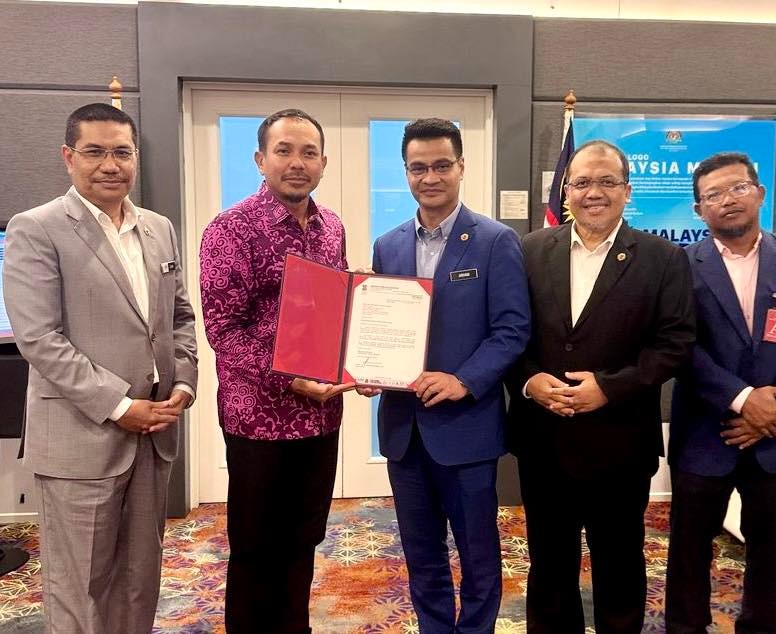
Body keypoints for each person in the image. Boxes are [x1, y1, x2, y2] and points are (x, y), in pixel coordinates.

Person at [2, 103, 198, 633]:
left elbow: (179, 316)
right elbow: (40, 339)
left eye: (121, 153)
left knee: (140, 575)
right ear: (69, 157)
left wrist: (183, 382)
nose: (110, 165)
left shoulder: (157, 228)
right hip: (81, 437)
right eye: (95, 152)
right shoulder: (37, 228)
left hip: (154, 433)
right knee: (79, 586)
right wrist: (119, 405)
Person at [506, 140, 696, 633]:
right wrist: (528, 380)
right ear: (566, 191)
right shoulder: (527, 250)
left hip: (621, 442)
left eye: (607, 182)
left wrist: (610, 388)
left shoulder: (663, 258)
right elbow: (506, 331)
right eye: (583, 182)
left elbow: (675, 343)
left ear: (627, 191)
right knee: (549, 562)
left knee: (620, 561)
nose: (594, 192)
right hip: (544, 439)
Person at [370, 118, 530, 632]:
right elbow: (381, 323)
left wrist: (463, 380)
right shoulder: (388, 245)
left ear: (461, 167)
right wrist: (367, 367)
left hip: (467, 429)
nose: (430, 177)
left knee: (478, 555)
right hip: (404, 431)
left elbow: (512, 329)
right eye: (418, 168)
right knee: (421, 555)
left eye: (442, 165)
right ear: (406, 172)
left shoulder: (495, 241)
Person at [666, 152, 776, 632]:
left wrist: (774, 410)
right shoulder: (680, 265)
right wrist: (743, 400)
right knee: (688, 550)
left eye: (738, 188)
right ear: (699, 210)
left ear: (759, 193)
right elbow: (680, 345)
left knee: (772, 552)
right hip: (707, 430)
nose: (728, 200)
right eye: (713, 194)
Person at [199, 109, 352, 634]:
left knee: (305, 540)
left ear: (323, 162)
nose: (296, 163)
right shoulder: (230, 230)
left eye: (308, 153)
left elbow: (336, 313)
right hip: (258, 422)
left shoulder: (332, 228)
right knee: (255, 549)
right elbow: (224, 331)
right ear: (260, 159)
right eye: (284, 151)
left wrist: (362, 357)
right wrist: (289, 378)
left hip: (320, 418)